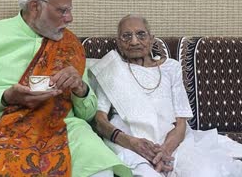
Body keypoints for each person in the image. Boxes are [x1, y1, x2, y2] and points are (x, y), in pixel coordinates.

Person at [0, 0, 132, 177]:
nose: (70, 18)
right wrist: (5, 97)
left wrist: (81, 89)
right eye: (62, 10)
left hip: (66, 129)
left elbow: (87, 115)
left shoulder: (70, 44)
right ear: (35, 7)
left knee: (100, 170)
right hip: (0, 131)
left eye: (70, 10)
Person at [90, 14, 242, 177]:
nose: (134, 41)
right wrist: (131, 143)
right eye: (126, 36)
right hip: (129, 141)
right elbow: (100, 120)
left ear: (152, 39)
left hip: (173, 140)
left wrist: (163, 152)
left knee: (206, 172)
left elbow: (181, 122)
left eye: (141, 34)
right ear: (119, 43)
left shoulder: (171, 67)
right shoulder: (111, 70)